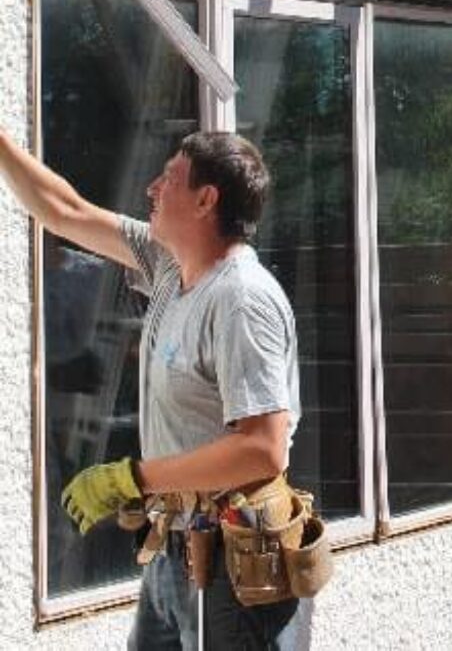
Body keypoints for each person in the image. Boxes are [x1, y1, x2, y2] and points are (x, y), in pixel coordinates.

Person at [0, 126, 303, 649]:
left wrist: (130, 476)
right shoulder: (168, 265)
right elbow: (63, 210)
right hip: (175, 547)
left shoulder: (241, 300)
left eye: (168, 178)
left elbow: (262, 448)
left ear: (207, 200)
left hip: (233, 567)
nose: (151, 189)